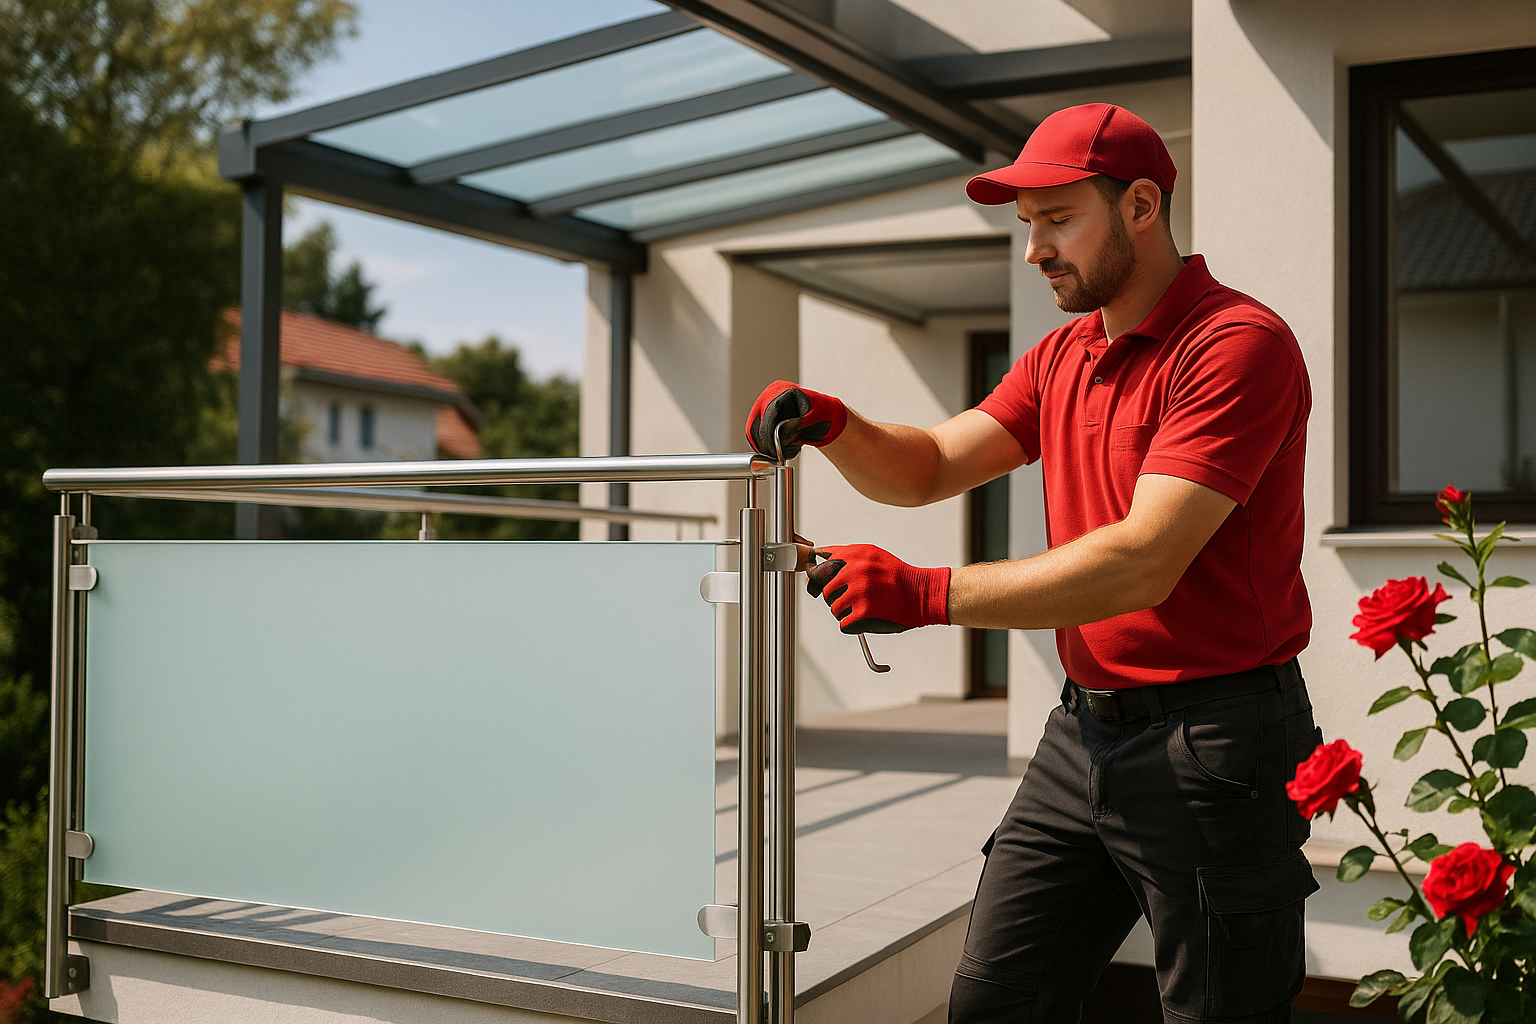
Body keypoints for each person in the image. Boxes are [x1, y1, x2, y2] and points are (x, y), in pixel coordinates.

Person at [744, 103, 1320, 1023]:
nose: (1034, 250)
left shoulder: (1235, 345)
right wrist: (833, 422)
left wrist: (927, 594)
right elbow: (929, 465)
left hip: (1217, 743)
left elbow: (1143, 561)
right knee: (993, 1005)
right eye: (1026, 225)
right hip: (1082, 734)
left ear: (1140, 204)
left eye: (1058, 219)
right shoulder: (1062, 356)